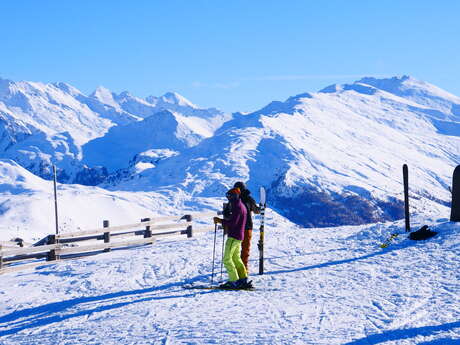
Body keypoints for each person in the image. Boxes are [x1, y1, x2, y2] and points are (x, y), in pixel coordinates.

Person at [213, 188, 252, 289]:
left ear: (234, 196)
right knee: (236, 258)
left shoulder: (237, 207)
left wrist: (220, 221)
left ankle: (233, 281)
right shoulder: (241, 205)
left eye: (229, 196)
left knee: (227, 259)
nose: (228, 198)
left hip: (234, 236)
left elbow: (232, 223)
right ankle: (243, 279)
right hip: (239, 236)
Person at [233, 181, 260, 273]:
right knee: (245, 248)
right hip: (247, 226)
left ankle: (237, 267)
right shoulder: (249, 199)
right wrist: (261, 208)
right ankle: (243, 268)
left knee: (234, 249)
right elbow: (256, 211)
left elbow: (228, 212)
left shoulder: (234, 199)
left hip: (236, 227)